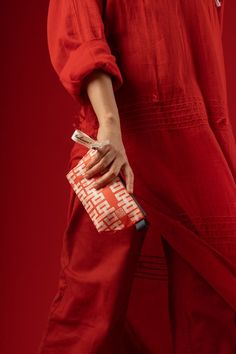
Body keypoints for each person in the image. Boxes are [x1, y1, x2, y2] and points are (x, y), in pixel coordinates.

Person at [38, 1, 236, 353]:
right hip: (118, 150)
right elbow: (80, 31)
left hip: (198, 155)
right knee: (91, 309)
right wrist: (110, 128)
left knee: (216, 305)